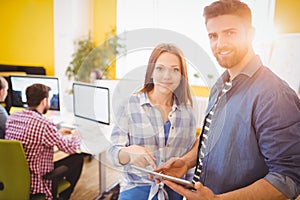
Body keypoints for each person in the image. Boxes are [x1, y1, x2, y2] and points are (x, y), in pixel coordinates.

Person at [154, 0, 300, 199]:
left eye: (230, 33)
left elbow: (288, 178)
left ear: (251, 34)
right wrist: (186, 161)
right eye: (213, 36)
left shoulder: (274, 94)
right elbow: (211, 136)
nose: (220, 44)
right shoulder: (220, 84)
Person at [108, 43, 198, 200]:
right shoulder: (130, 105)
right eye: (160, 68)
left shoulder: (187, 113)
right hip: (136, 190)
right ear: (151, 72)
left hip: (174, 192)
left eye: (175, 70)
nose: (166, 76)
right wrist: (128, 153)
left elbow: (188, 163)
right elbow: (112, 152)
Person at [5, 83, 84, 200]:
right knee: (77, 159)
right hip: (37, 184)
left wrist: (57, 133)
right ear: (44, 101)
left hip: (14, 180)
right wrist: (76, 135)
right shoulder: (44, 124)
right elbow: (70, 148)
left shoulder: (12, 118)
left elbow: (33, 136)